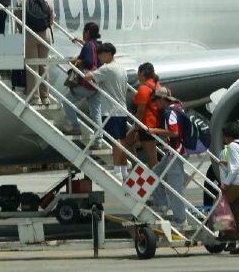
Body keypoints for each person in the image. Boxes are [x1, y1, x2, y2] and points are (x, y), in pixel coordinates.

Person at [79, 42, 129, 178]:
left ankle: (117, 170)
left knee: (115, 141)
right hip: (122, 109)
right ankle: (123, 170)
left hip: (111, 110)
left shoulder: (107, 68)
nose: (100, 57)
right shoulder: (121, 68)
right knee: (122, 140)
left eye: (101, 55)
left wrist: (87, 71)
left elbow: (88, 77)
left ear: (108, 54)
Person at [146, 87, 187, 228]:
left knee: (175, 188)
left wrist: (155, 131)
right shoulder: (178, 107)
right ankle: (162, 204)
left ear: (164, 99)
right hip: (173, 152)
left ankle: (180, 219)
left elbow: (174, 132)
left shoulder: (170, 112)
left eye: (157, 100)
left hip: (175, 153)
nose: (156, 104)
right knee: (154, 174)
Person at [16, 0, 54, 101]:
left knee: (33, 67)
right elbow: (51, 19)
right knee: (44, 65)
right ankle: (45, 96)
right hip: (45, 35)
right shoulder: (47, 1)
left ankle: (35, 96)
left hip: (29, 35)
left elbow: (18, 19)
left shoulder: (21, 0)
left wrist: (23, 31)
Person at [61, 22, 102, 134]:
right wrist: (81, 42)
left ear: (87, 32)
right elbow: (93, 52)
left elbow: (88, 61)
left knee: (66, 101)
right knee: (96, 113)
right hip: (97, 85)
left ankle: (76, 127)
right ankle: (98, 140)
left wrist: (76, 61)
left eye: (84, 31)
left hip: (87, 84)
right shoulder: (99, 45)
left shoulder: (88, 46)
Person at [219, 122, 239, 254]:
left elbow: (234, 168)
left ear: (228, 135)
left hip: (235, 184)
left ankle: (228, 234)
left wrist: (225, 184)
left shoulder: (232, 146)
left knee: (219, 205)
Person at [129, 63, 163, 168]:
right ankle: (137, 167)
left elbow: (140, 111)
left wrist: (136, 129)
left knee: (152, 158)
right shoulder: (157, 85)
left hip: (146, 125)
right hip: (155, 123)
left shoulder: (144, 88)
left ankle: (139, 168)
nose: (137, 75)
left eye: (138, 72)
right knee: (127, 142)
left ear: (142, 73)